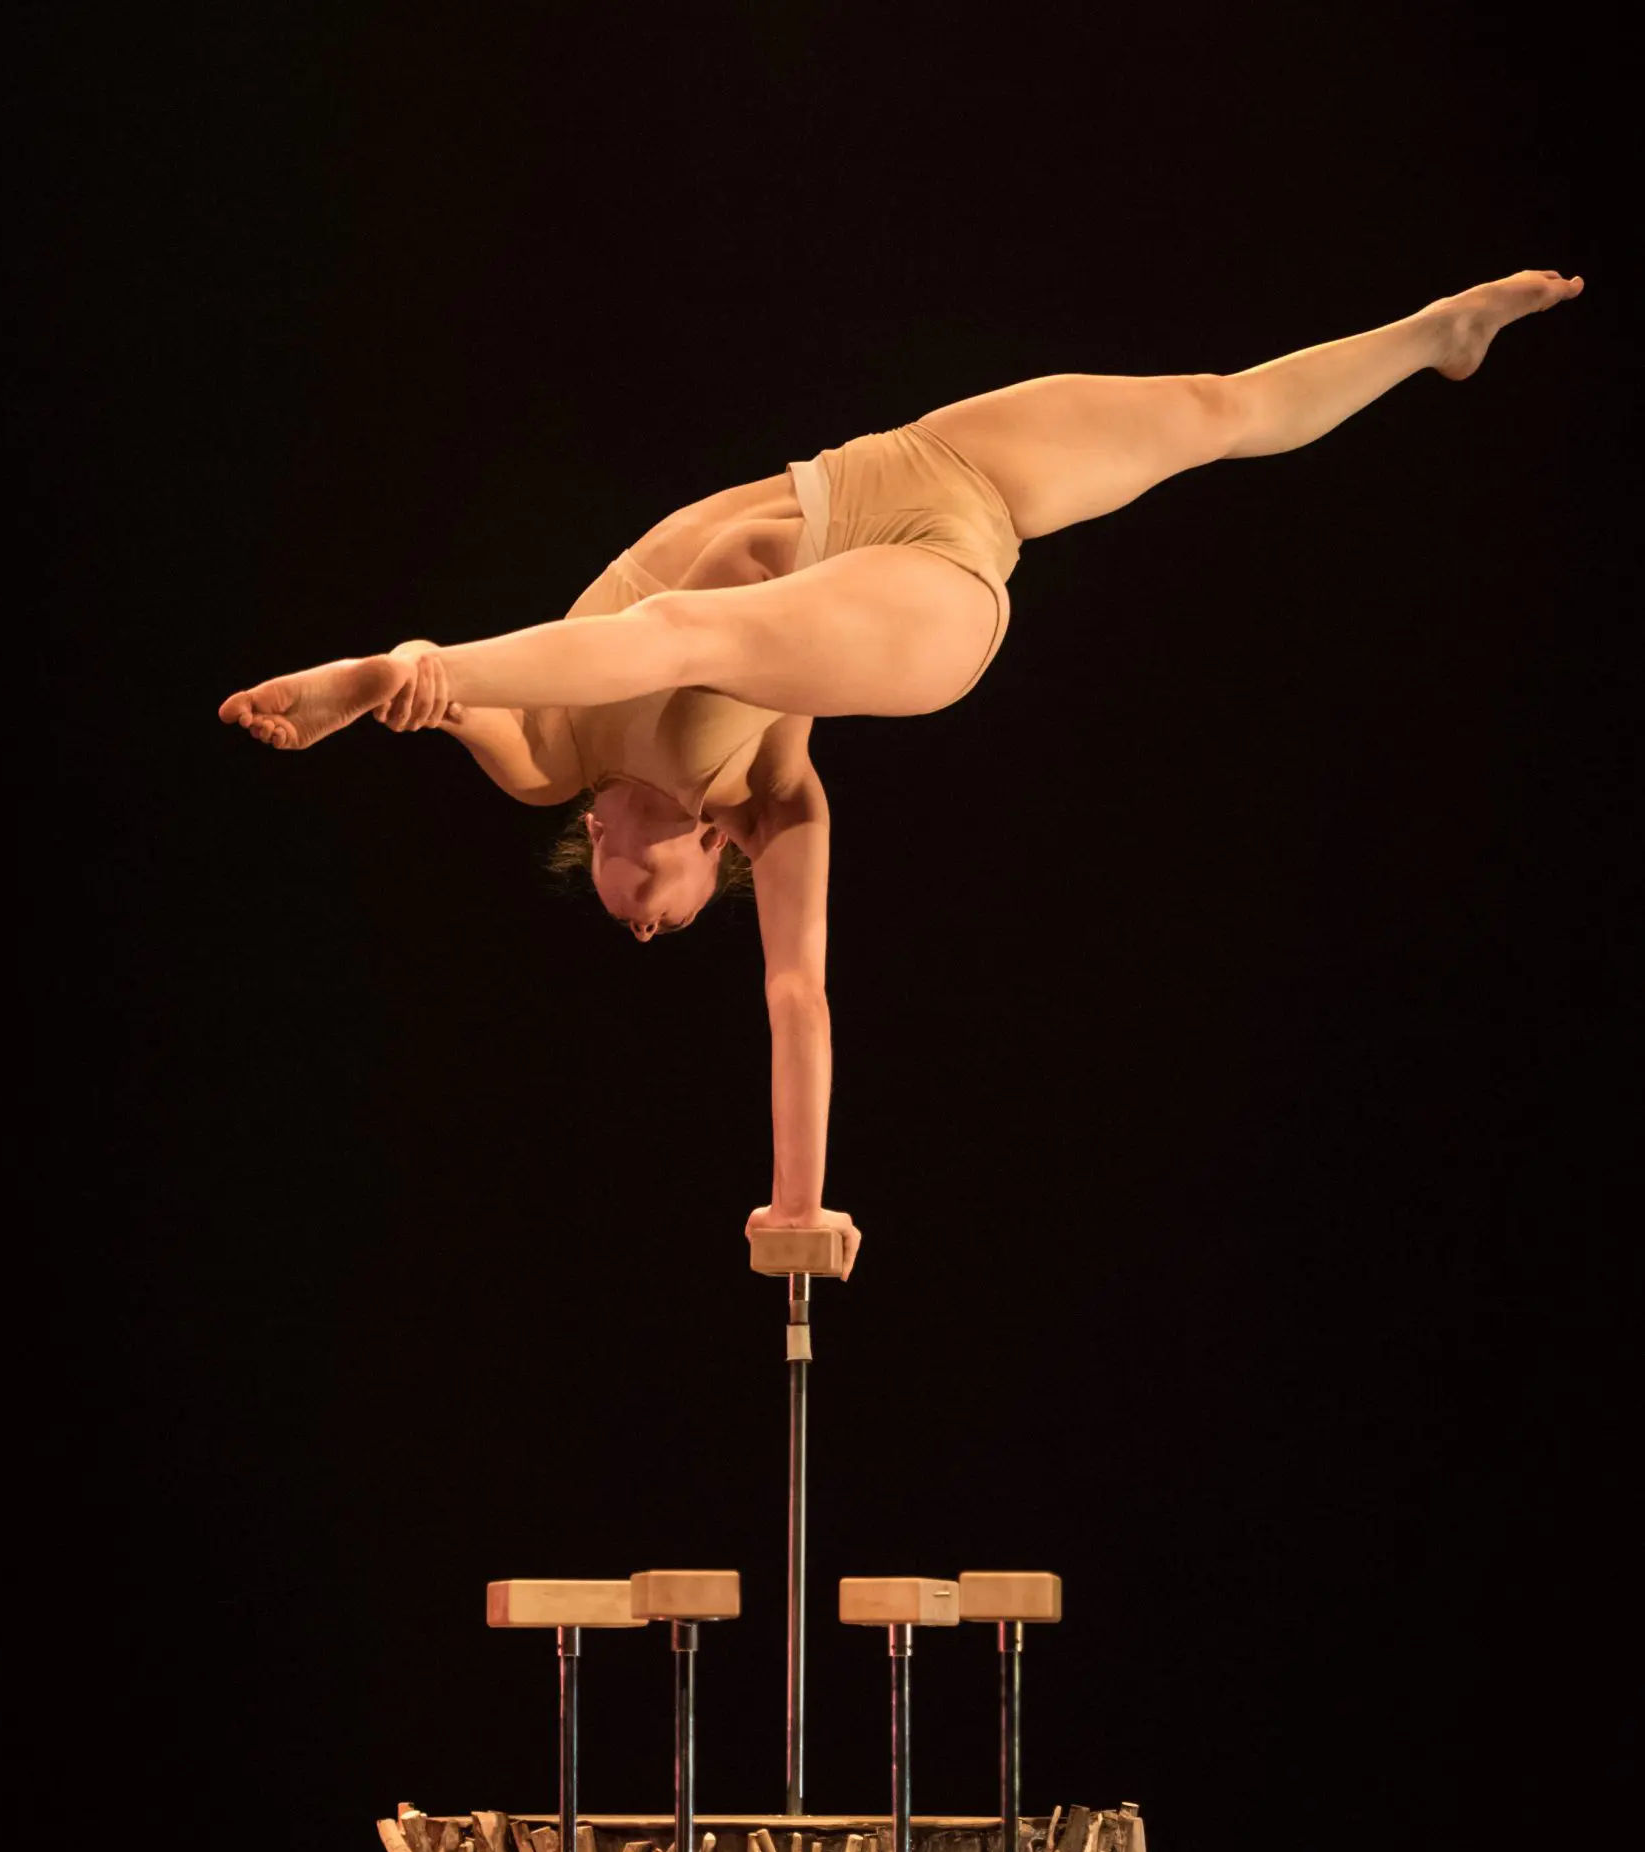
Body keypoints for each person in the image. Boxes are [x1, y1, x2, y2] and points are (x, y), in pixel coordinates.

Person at [220, 270, 1582, 1278]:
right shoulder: (771, 800)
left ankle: (1433, 336)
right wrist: (795, 1203)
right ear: (717, 851)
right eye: (673, 925)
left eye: (640, 917)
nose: (647, 925)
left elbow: (477, 709)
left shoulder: (552, 763)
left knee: (1214, 407)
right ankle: (405, 662)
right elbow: (796, 997)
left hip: (912, 467)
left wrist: (406, 683)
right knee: (682, 629)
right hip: (925, 594)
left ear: (607, 844)